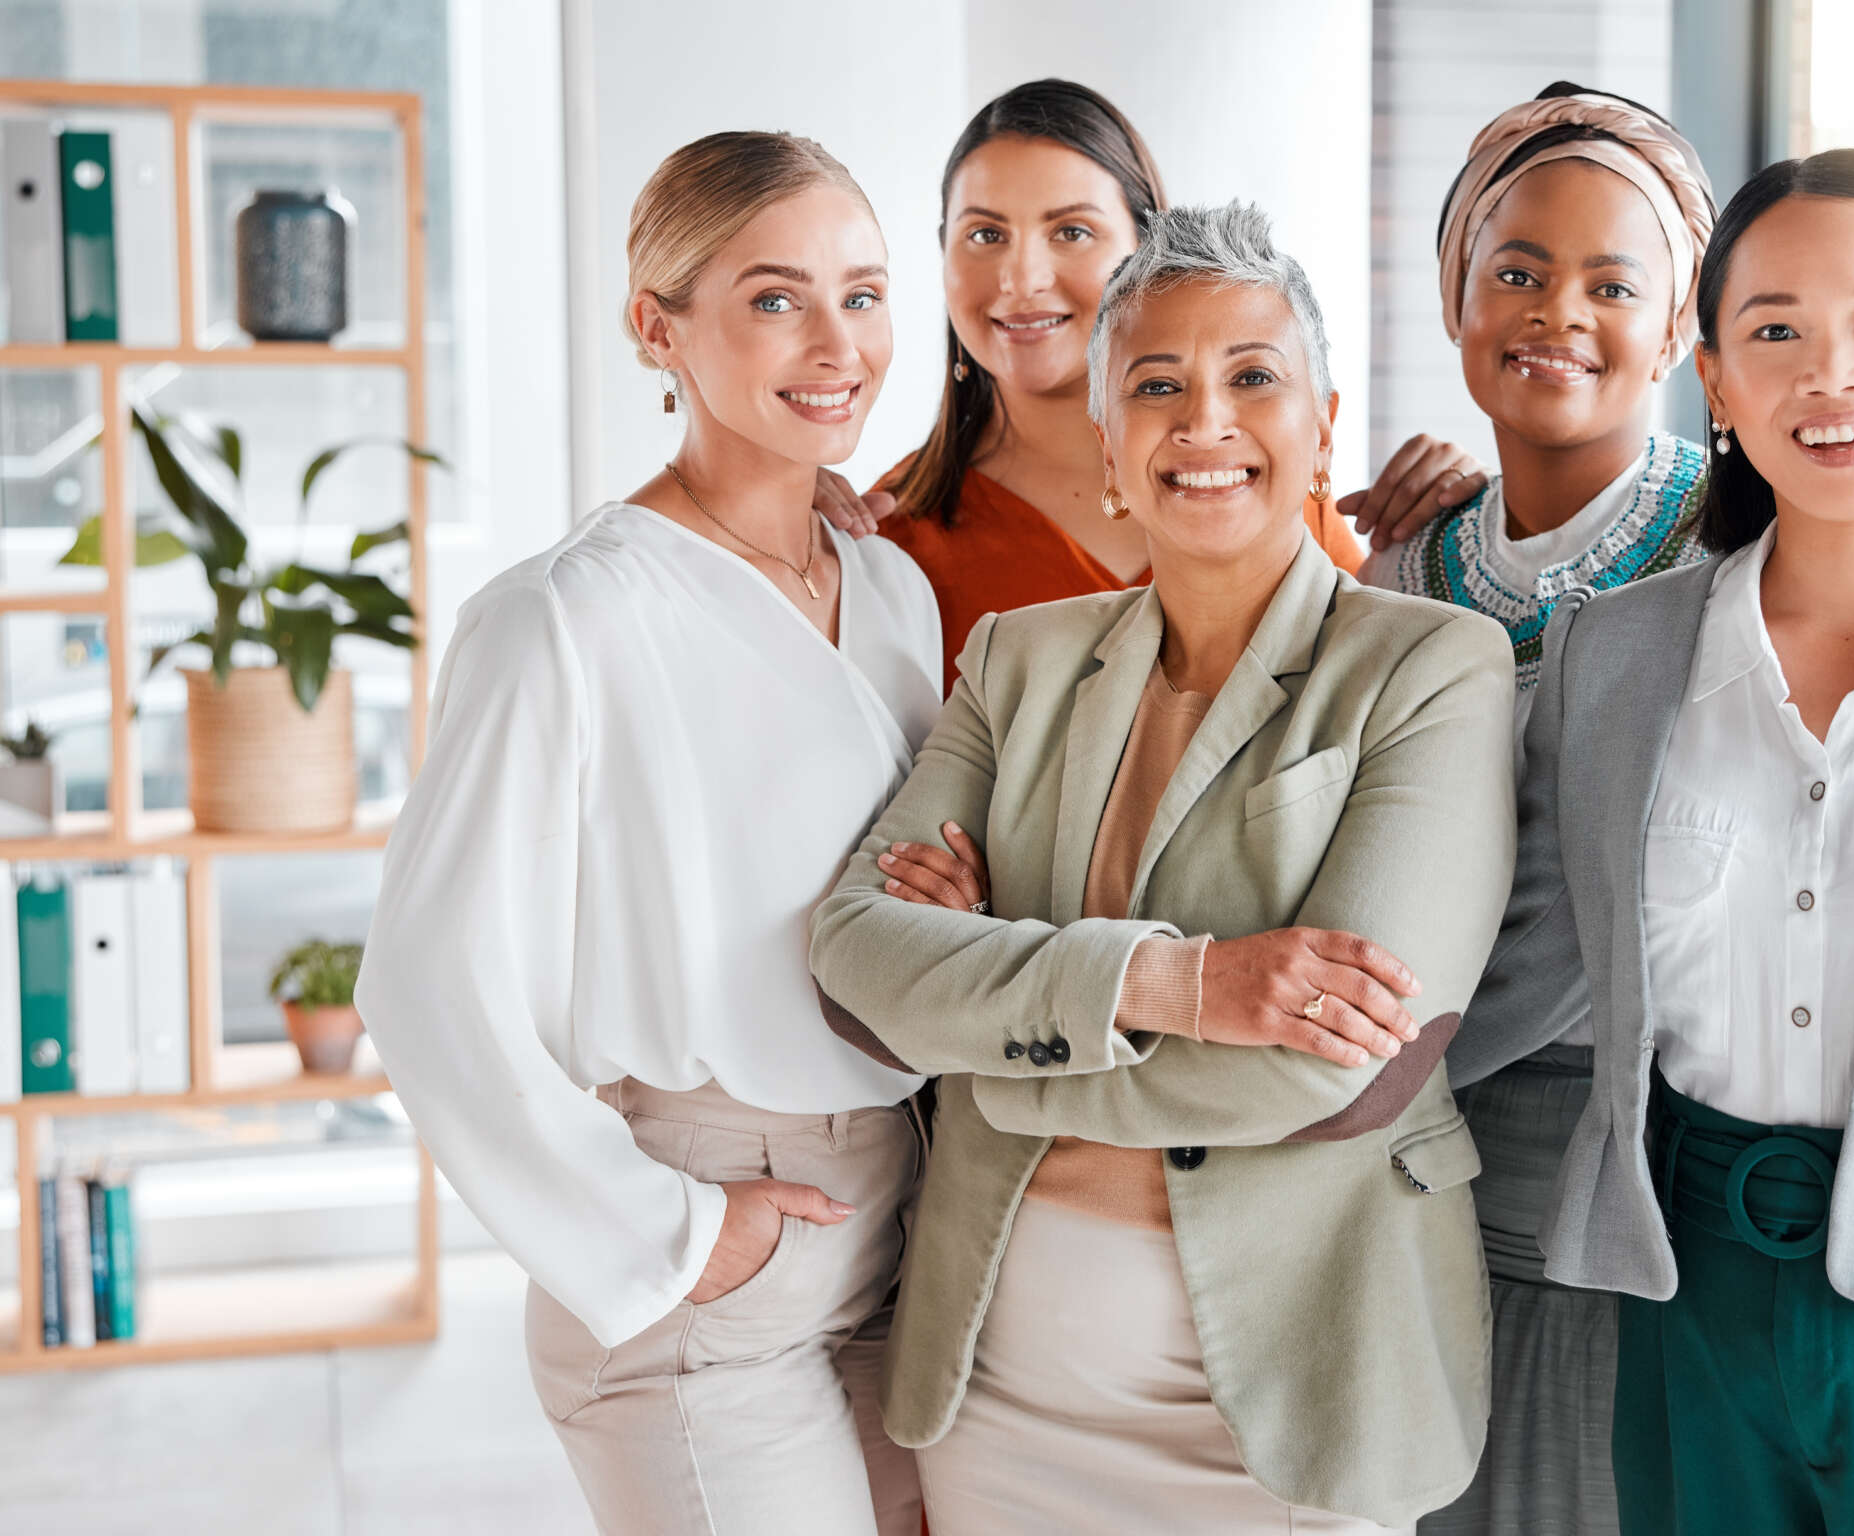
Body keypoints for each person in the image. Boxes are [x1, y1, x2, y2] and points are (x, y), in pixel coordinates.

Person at [1356, 86, 1854, 1536]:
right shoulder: (1615, 646)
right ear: (1723, 375)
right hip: (1682, 1275)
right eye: (1780, 329)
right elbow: (1527, 944)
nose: (1830, 371)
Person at [809, 202, 1515, 1534]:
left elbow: (1332, 1062)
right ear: (1110, 442)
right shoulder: (1015, 658)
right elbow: (856, 955)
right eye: (1156, 385)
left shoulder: (1429, 666)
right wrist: (1178, 985)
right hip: (1003, 1390)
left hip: (1295, 1395)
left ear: (1321, 420)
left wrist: (995, 1040)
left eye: (1253, 377)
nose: (1205, 420)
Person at [355, 132, 936, 1536]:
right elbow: (429, 988)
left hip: (905, 1228)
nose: (836, 341)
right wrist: (673, 1241)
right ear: (654, 325)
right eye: (776, 297)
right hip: (711, 1259)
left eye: (862, 294)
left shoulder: (891, 589)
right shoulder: (564, 618)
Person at [808, 78, 1381, 685]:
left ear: (1146, 248)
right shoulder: (890, 540)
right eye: (985, 235)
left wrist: (1470, 511)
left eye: (1071, 231)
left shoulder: (1265, 480)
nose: (1022, 279)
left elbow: (1376, 677)